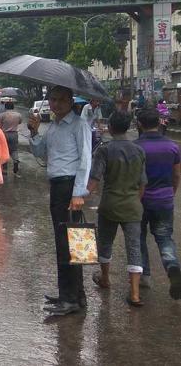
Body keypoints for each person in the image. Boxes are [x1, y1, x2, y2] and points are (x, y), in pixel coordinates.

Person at [29, 85, 92, 316]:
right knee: (65, 242)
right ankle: (75, 295)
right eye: (52, 100)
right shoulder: (54, 126)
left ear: (70, 100)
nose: (55, 104)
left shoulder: (79, 124)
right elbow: (39, 153)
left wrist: (78, 193)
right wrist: (34, 132)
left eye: (60, 100)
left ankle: (70, 299)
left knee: (69, 244)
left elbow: (86, 159)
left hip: (69, 187)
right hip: (57, 187)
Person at [87, 111, 147, 306]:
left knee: (105, 242)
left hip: (110, 205)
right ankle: (135, 293)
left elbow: (95, 179)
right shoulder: (139, 151)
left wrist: (80, 196)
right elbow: (142, 183)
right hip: (132, 207)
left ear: (110, 128)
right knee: (134, 248)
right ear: (129, 126)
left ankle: (105, 278)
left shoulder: (104, 150)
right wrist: (134, 200)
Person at [134, 108, 181, 299]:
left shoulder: (136, 147)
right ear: (160, 122)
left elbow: (133, 177)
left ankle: (145, 276)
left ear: (139, 125)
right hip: (164, 200)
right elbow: (177, 174)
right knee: (164, 238)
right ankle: (172, 265)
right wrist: (172, 192)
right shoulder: (172, 147)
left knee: (139, 237)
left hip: (140, 200)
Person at [0, 101, 22, 176]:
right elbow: (20, 122)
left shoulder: (2, 115)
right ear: (13, 107)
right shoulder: (18, 115)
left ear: (5, 107)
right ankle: (16, 161)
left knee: (4, 151)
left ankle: (4, 170)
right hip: (14, 134)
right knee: (14, 149)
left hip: (4, 134)